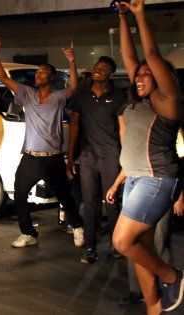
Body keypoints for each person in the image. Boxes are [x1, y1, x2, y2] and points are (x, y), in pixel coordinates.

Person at [106, 1, 183, 313]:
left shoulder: (168, 102)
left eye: (146, 75)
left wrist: (139, 13)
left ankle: (173, 276)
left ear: (164, 77)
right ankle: (155, 308)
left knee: (122, 242)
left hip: (156, 180)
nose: (138, 77)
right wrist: (123, 17)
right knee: (142, 247)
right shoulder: (137, 103)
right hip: (136, 179)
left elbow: (150, 56)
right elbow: (131, 58)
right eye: (137, 75)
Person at [0, 34, 85, 248]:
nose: (39, 75)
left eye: (43, 72)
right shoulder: (27, 93)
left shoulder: (58, 97)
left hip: (52, 158)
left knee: (63, 196)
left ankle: (77, 226)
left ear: (51, 78)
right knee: (19, 193)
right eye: (38, 71)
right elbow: (4, 79)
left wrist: (72, 61)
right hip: (30, 157)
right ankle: (28, 233)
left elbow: (74, 88)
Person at [67, 56, 126, 264]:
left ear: (111, 73)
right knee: (90, 203)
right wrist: (70, 156)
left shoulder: (119, 96)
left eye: (103, 68)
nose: (97, 70)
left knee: (112, 202)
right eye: (96, 67)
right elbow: (74, 126)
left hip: (111, 155)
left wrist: (125, 160)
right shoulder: (81, 95)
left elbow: (123, 130)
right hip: (87, 156)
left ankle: (115, 244)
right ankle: (90, 247)